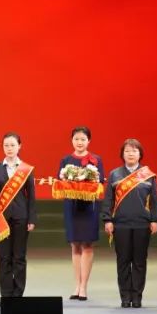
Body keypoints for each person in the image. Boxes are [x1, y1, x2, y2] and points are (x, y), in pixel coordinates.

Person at [102, 138, 157, 308]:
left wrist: (155, 219)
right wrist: (107, 219)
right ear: (122, 154)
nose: (131, 154)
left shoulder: (148, 175)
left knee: (139, 262)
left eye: (134, 151)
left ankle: (137, 296)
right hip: (121, 224)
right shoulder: (114, 174)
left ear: (140, 154)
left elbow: (155, 199)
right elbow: (108, 199)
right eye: (127, 151)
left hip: (142, 224)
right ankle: (125, 297)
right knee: (123, 261)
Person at [0, 132, 37, 300]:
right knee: (4, 258)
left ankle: (18, 294)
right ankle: (6, 295)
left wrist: (31, 218)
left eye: (12, 145)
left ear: (19, 146)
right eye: (6, 145)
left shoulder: (26, 169)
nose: (9, 148)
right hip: (2, 219)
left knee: (19, 257)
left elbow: (31, 197)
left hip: (21, 218)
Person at [59, 126, 104, 301]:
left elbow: (100, 183)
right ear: (72, 140)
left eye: (83, 139)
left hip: (89, 207)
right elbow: (60, 182)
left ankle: (84, 286)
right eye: (76, 139)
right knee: (75, 245)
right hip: (72, 206)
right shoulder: (66, 160)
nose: (79, 142)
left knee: (87, 245)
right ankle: (76, 285)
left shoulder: (96, 160)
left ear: (88, 141)